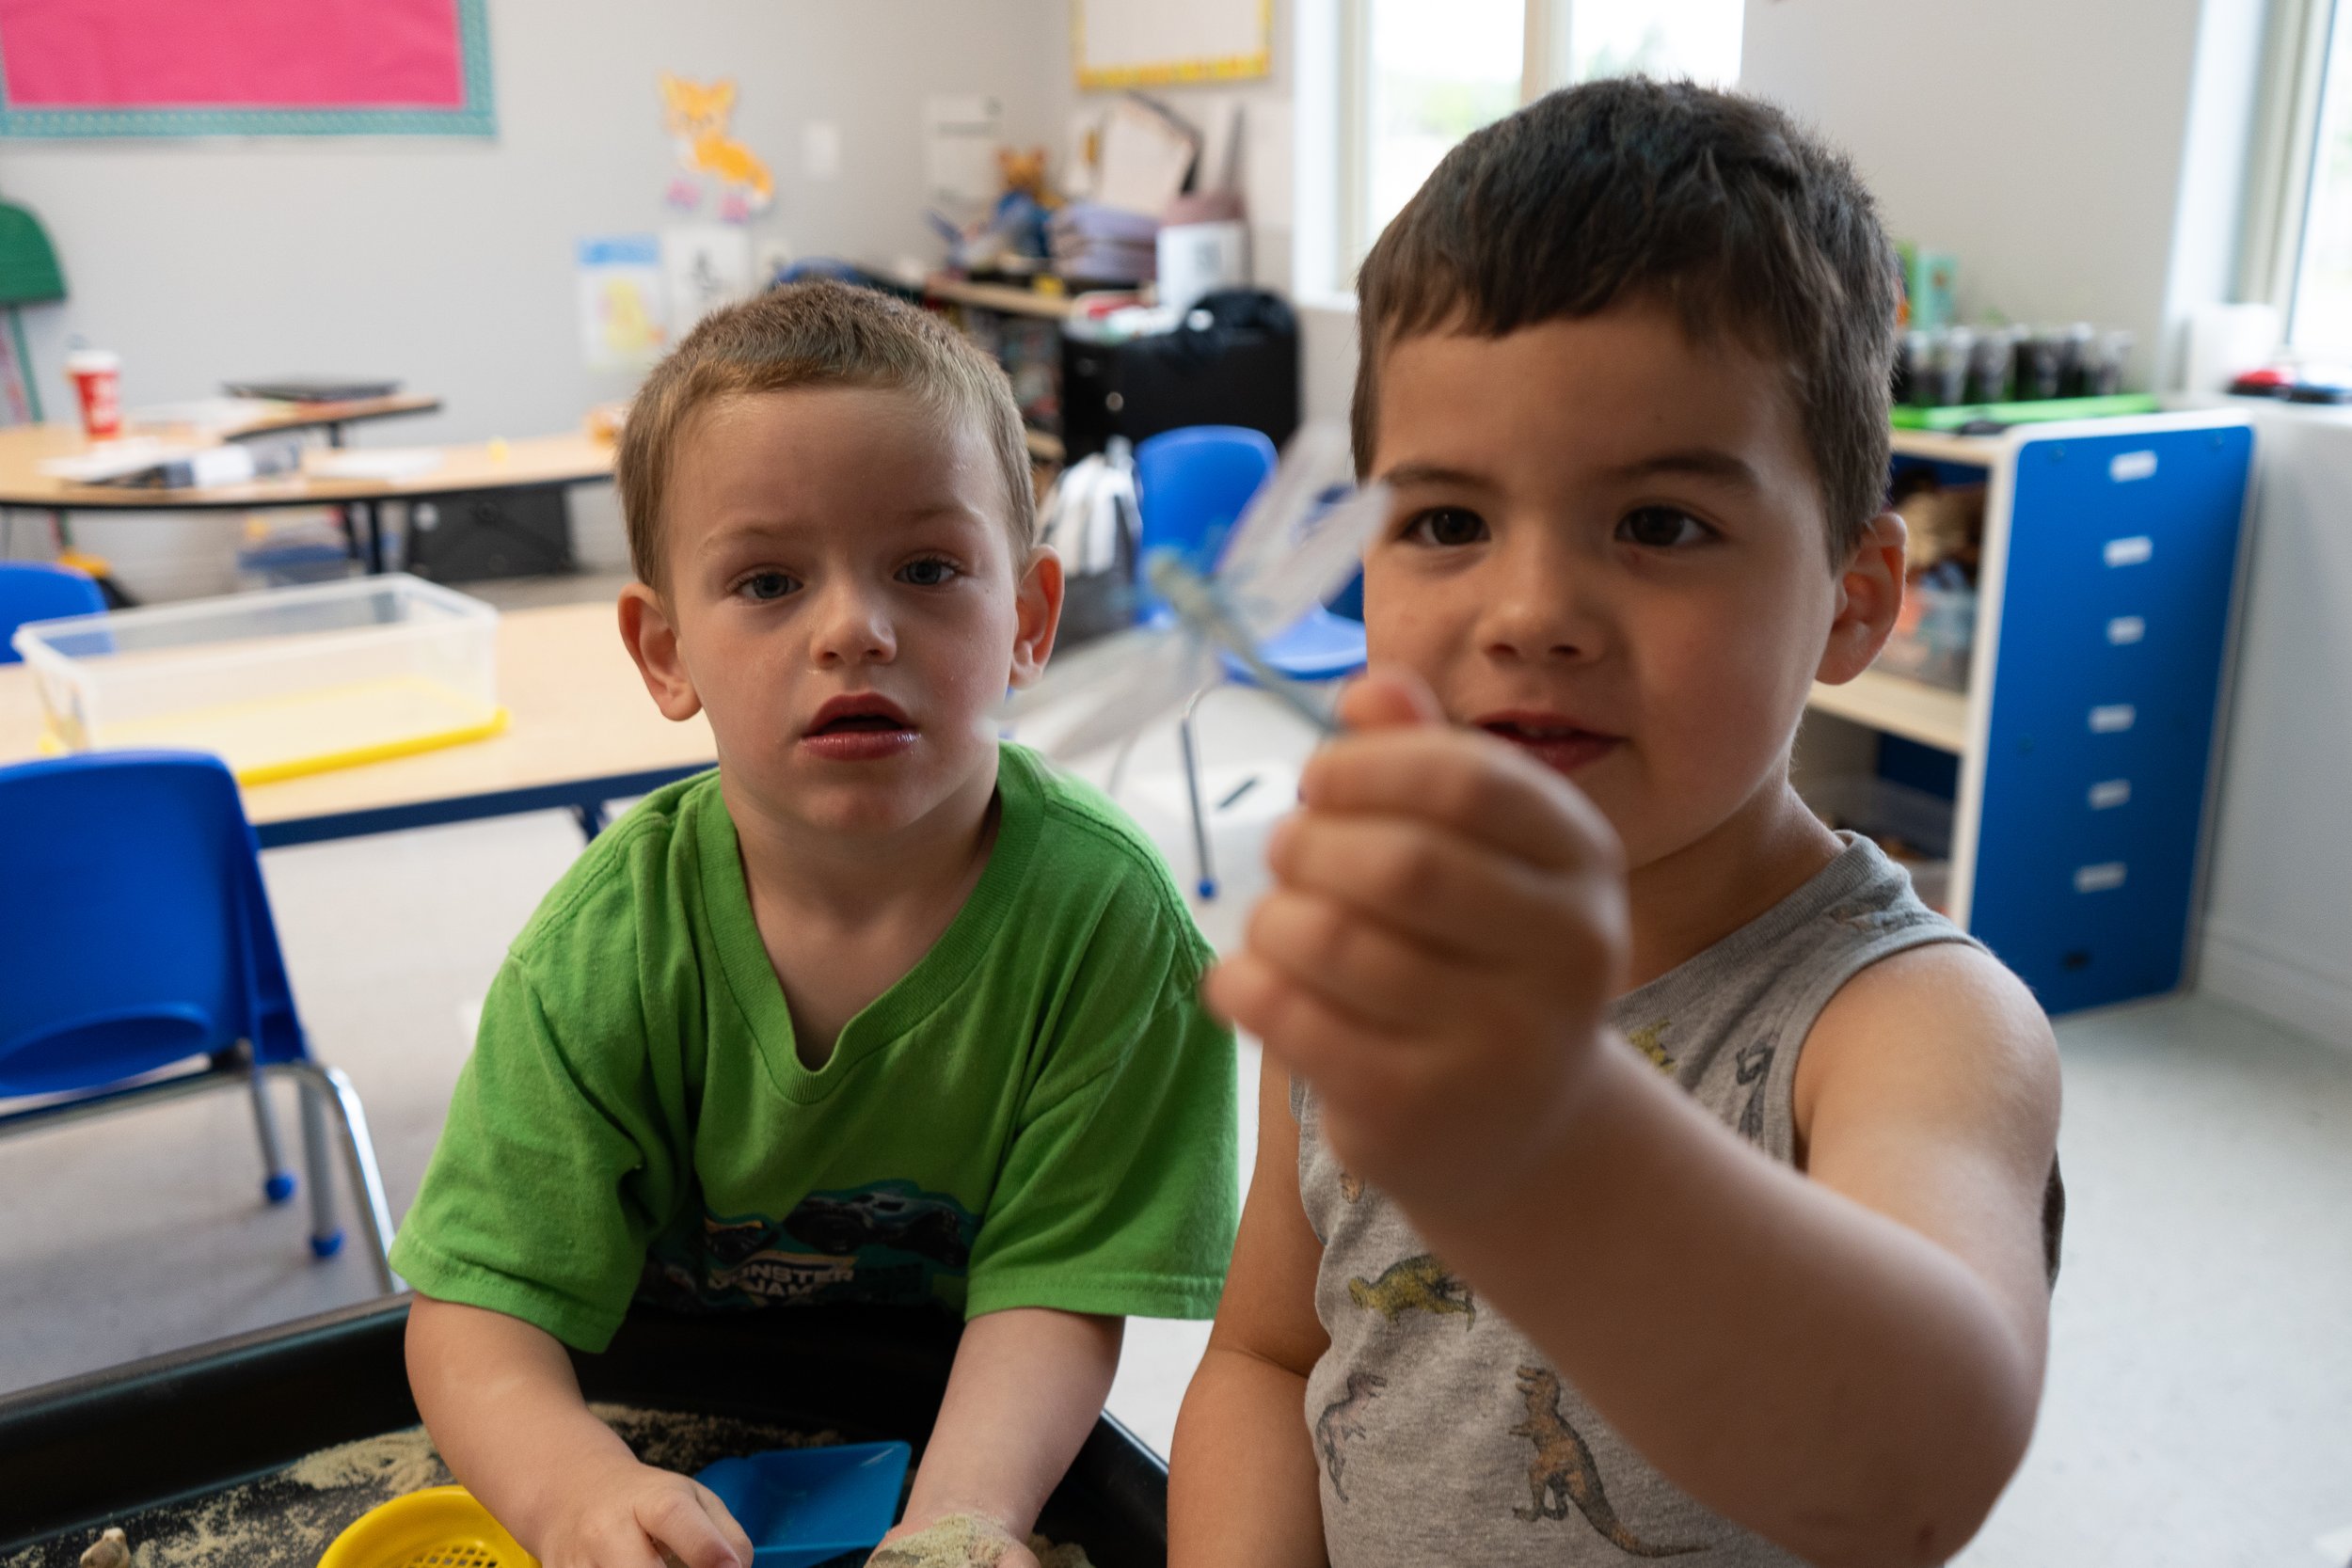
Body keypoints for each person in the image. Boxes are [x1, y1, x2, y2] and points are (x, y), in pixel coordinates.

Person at [1170, 79, 2062, 1568]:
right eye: (1448, 523)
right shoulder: (1388, 969)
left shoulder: (1911, 1021)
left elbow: (1913, 1475)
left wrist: (1549, 1130)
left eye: (1659, 525)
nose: (1531, 614)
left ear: (1853, 603)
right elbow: (1267, 1354)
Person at [391, 281, 1238, 1568]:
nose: (853, 628)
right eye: (769, 581)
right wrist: (571, 1492)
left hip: (958, 1416)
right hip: (652, 1408)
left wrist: (960, 1523)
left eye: (928, 569)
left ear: (1027, 620)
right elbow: (475, 1309)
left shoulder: (1109, 927)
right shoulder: (605, 948)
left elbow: (1055, 1291)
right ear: (665, 652)